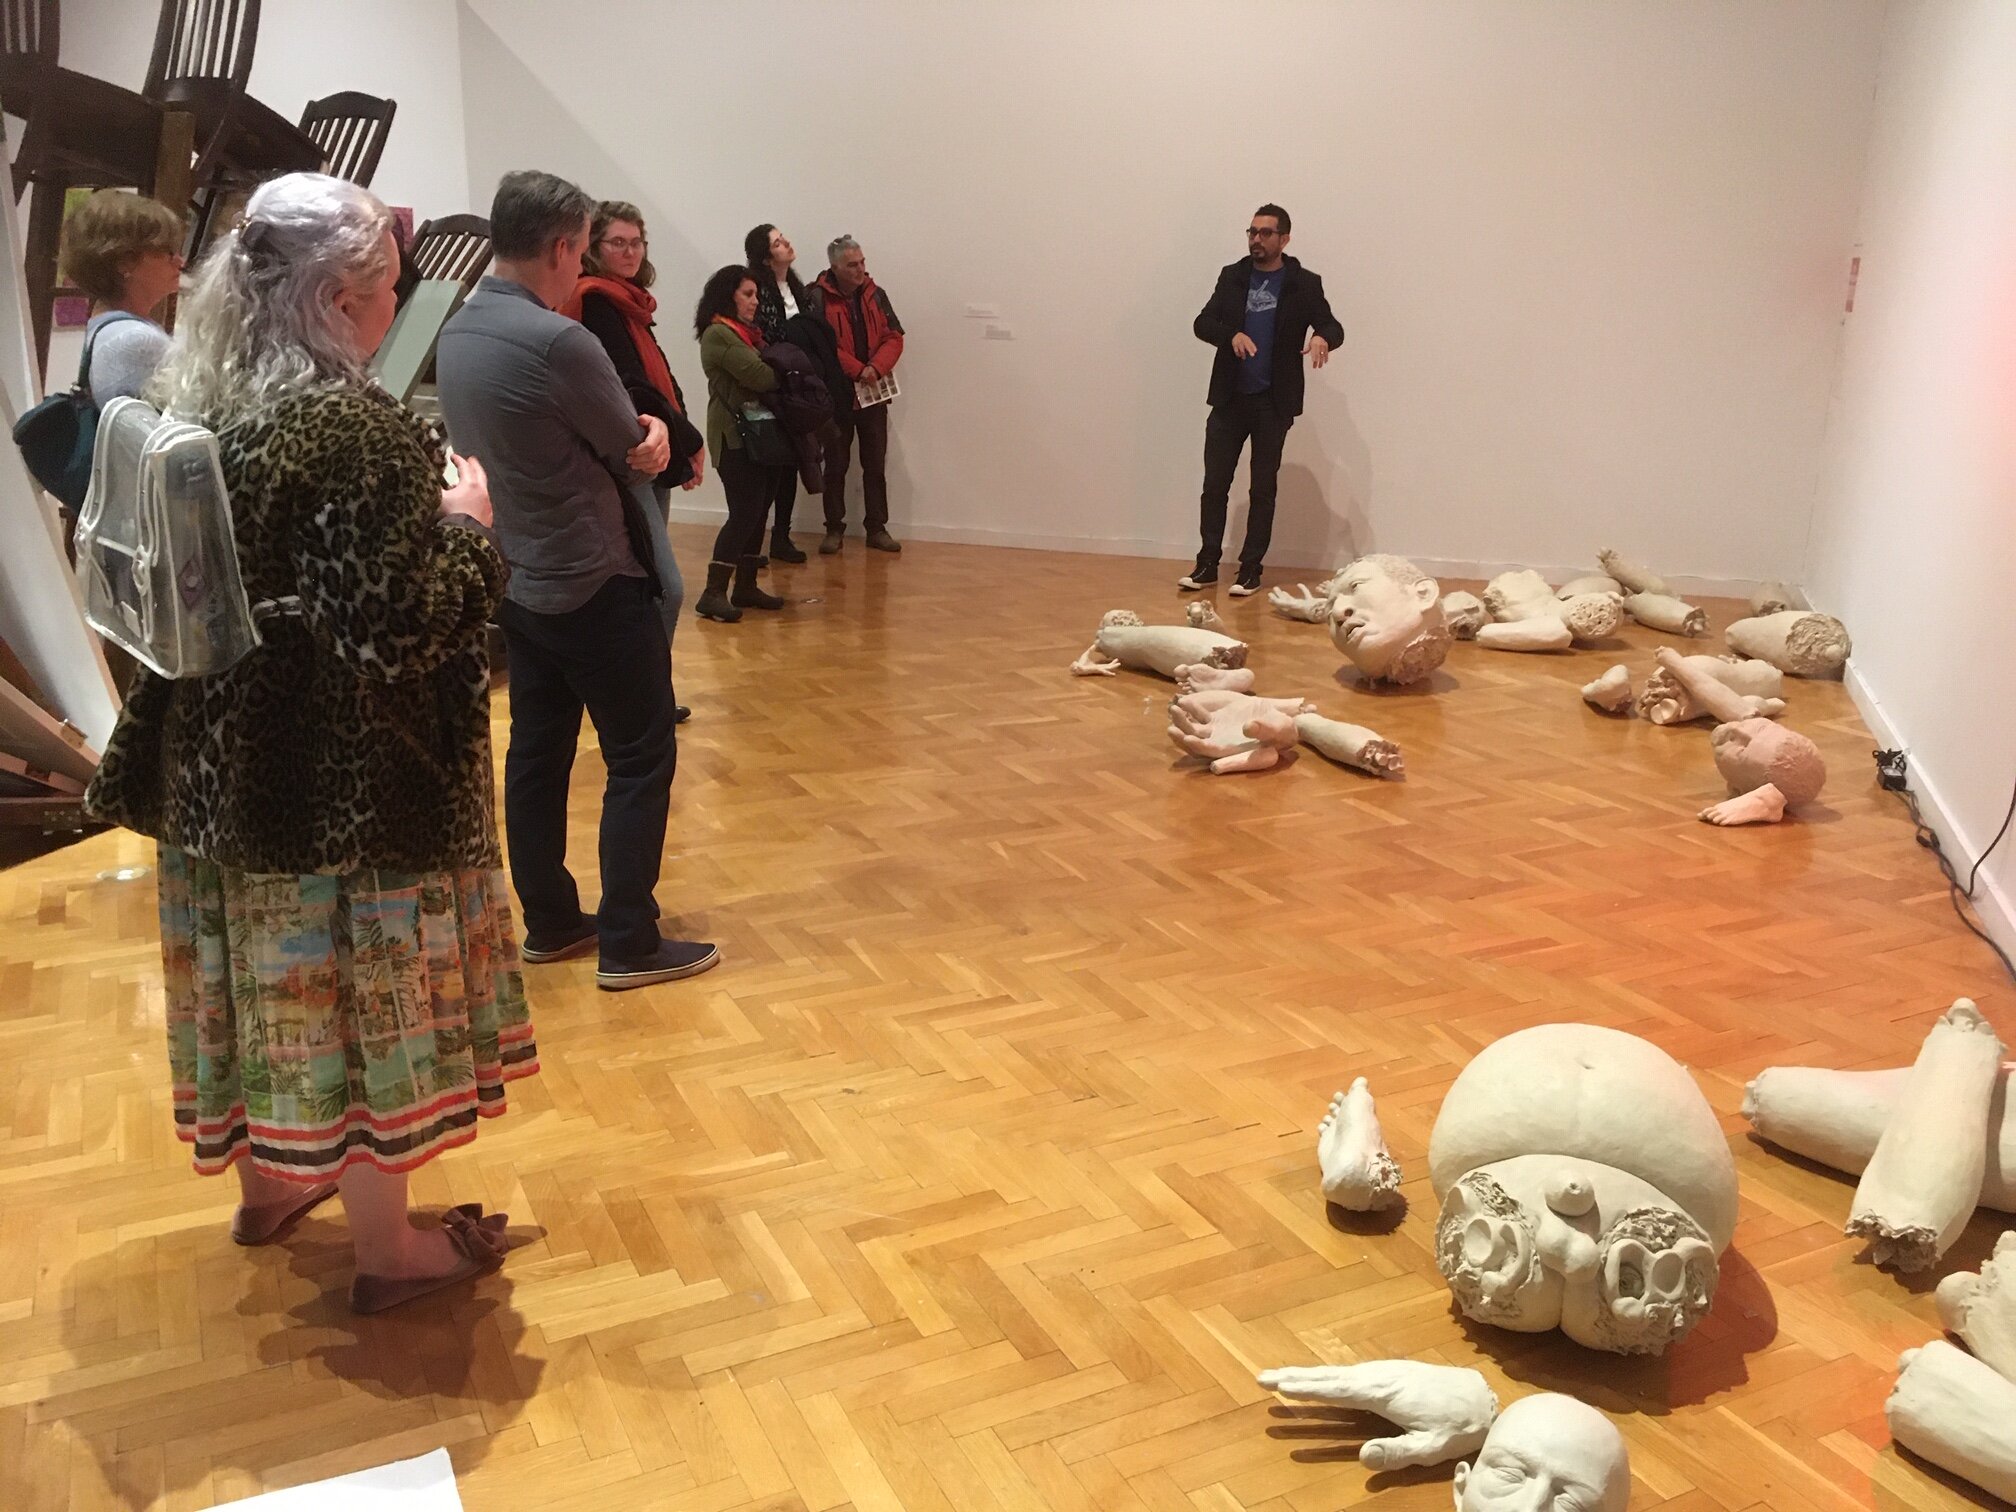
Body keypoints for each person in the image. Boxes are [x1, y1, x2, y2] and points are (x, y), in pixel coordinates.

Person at [83, 173, 531, 1314]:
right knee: (355, 997)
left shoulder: (207, 400)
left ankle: (273, 1187)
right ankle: (390, 1252)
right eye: (386, 289)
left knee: (266, 984)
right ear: (340, 300)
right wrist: (470, 532)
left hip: (221, 762)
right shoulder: (348, 425)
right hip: (347, 782)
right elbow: (395, 630)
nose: (394, 308)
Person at [435, 170, 719, 992]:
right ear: (564, 246)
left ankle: (552, 922)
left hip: (518, 577)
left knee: (537, 752)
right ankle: (630, 940)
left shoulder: (459, 330)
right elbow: (630, 443)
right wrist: (660, 431)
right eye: (586, 246)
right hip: (594, 575)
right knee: (640, 751)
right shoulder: (559, 341)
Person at [565, 200, 706, 676]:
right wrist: (690, 439)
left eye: (636, 243)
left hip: (650, 451)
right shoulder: (598, 301)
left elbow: (658, 374)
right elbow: (633, 387)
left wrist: (683, 435)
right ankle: (642, 696)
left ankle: (645, 694)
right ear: (594, 248)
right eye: (617, 243)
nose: (629, 251)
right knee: (666, 588)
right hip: (631, 455)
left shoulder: (628, 302)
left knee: (650, 584)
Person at [1183, 203, 1344, 596]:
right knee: (1215, 484)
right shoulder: (1233, 277)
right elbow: (1202, 323)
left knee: (1262, 488)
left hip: (1272, 403)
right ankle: (1207, 564)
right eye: (1252, 232)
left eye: (1266, 233)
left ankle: (1250, 569)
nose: (1257, 239)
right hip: (1229, 400)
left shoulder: (1303, 283)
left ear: (1284, 239)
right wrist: (1230, 335)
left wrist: (1323, 337)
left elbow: (1331, 325)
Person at [693, 264, 792, 622]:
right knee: (745, 513)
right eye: (747, 295)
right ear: (727, 296)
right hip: (733, 437)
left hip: (758, 434)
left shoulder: (747, 335)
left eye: (756, 295)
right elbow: (761, 375)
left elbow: (764, 370)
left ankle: (745, 586)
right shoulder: (719, 334)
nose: (755, 302)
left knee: (757, 512)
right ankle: (712, 592)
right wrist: (779, 367)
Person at [814, 236, 904, 555]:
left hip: (874, 396)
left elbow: (894, 336)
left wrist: (875, 368)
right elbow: (821, 344)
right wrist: (857, 370)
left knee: (875, 465)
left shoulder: (876, 295)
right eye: (853, 265)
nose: (861, 270)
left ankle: (876, 528)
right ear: (835, 267)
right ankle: (834, 529)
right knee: (835, 465)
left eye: (863, 262)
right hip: (836, 397)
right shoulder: (817, 297)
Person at [59, 189, 184, 406]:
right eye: (168, 252)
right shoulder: (136, 339)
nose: (179, 261)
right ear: (124, 261)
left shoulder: (109, 325)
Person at [743, 223, 810, 564]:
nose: (786, 242)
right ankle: (756, 539)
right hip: (777, 381)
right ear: (766, 257)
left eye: (783, 237)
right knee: (775, 464)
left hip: (801, 382)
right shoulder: (762, 292)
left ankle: (781, 535)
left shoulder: (798, 288)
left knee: (794, 463)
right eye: (777, 241)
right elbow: (765, 335)